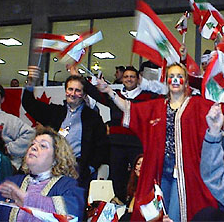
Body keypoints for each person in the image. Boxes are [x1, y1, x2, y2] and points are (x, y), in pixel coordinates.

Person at [98, 62, 224, 221]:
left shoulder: (196, 105)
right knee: (157, 213)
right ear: (166, 82)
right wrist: (110, 92)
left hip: (184, 172)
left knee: (175, 213)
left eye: (179, 76)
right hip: (158, 171)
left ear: (186, 82)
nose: (175, 80)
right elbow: (129, 108)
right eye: (171, 76)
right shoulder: (157, 106)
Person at [0, 127, 85, 221]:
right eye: (33, 144)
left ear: (56, 158)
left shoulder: (67, 185)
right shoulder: (12, 182)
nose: (34, 147)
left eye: (42, 146)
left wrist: (26, 198)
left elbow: (74, 213)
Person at [22, 67, 109, 188]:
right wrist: (31, 82)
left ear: (84, 94)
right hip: (52, 166)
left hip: (77, 169)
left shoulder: (93, 118)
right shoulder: (55, 112)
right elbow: (29, 104)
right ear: (65, 91)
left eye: (77, 90)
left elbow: (102, 146)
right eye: (70, 89)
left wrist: (90, 168)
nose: (73, 94)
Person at [82, 66, 156, 201]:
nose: (129, 79)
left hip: (137, 144)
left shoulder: (147, 96)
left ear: (138, 79)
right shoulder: (114, 94)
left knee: (138, 176)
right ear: (122, 79)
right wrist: (78, 76)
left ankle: (136, 202)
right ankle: (120, 202)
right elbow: (95, 93)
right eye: (126, 76)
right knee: (117, 175)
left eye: (132, 76)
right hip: (116, 144)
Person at [119, 154, 143, 221]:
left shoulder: (152, 187)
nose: (140, 167)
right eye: (138, 164)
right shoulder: (131, 185)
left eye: (143, 164)